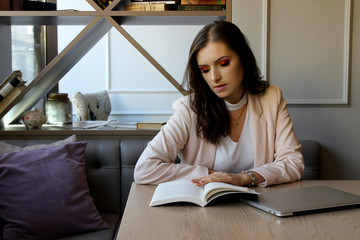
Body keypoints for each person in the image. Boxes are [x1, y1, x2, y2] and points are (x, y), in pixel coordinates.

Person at [134, 21, 304, 187]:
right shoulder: (189, 110)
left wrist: (243, 178)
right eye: (205, 70)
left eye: (223, 64)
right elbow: (144, 169)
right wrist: (214, 176)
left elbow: (293, 162)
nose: (214, 77)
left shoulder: (271, 99)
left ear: (243, 58)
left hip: (260, 207)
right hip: (203, 209)